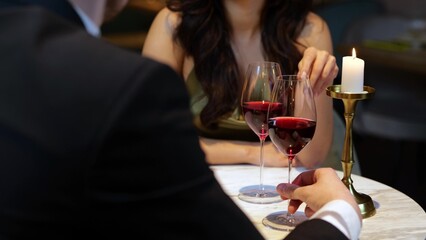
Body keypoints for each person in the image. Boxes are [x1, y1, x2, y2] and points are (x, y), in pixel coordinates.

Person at [0, 0, 361, 239]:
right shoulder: (152, 53)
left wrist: (314, 85)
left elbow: (305, 150)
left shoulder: (308, 29)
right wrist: (339, 213)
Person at [142, 0, 339, 168]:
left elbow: (309, 156)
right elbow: (153, 139)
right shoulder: (174, 24)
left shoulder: (310, 30)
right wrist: (250, 154)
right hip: (198, 174)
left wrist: (319, 80)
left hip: (281, 184)